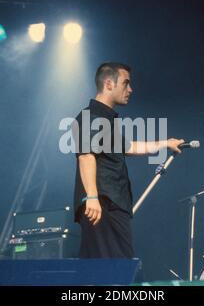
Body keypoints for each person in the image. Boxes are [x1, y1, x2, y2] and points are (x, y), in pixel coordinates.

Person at [73, 62, 184, 258]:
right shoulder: (91, 116)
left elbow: (130, 147)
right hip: (103, 204)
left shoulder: (105, 120)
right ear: (109, 84)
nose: (130, 89)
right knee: (116, 268)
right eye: (126, 83)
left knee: (105, 267)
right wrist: (92, 197)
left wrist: (166, 143)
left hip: (110, 204)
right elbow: (85, 156)